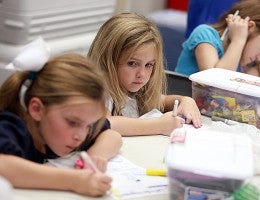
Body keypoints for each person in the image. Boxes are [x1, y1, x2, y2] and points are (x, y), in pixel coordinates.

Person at [0, 39, 122, 197]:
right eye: (73, 123)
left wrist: (94, 157)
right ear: (37, 109)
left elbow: (112, 135)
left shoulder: (71, 129)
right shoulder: (12, 126)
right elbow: (3, 165)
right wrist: (74, 181)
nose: (81, 135)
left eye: (88, 125)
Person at [88, 12, 202, 136]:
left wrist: (185, 101)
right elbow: (106, 123)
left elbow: (163, 101)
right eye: (132, 63)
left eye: (149, 65)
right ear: (107, 60)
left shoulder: (133, 89)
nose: (141, 74)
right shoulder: (98, 93)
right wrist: (159, 126)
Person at [175, 0, 260, 78]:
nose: (259, 58)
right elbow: (215, 82)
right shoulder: (204, 34)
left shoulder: (239, 53)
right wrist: (238, 40)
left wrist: (246, 77)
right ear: (249, 27)